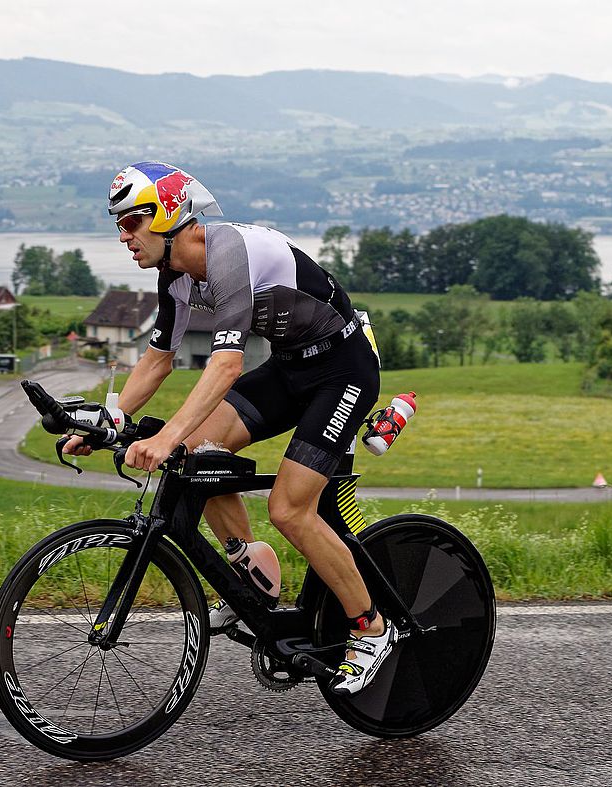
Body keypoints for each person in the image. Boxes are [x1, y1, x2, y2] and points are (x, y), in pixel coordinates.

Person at [63, 161, 392, 695]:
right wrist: (109, 422)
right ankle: (250, 570)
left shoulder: (227, 254)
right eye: (118, 225)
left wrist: (164, 435)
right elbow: (157, 360)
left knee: (289, 507)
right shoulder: (174, 275)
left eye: (132, 222)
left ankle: (370, 627)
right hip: (291, 367)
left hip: (342, 371)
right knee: (191, 454)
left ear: (170, 214)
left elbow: (225, 366)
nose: (124, 237)